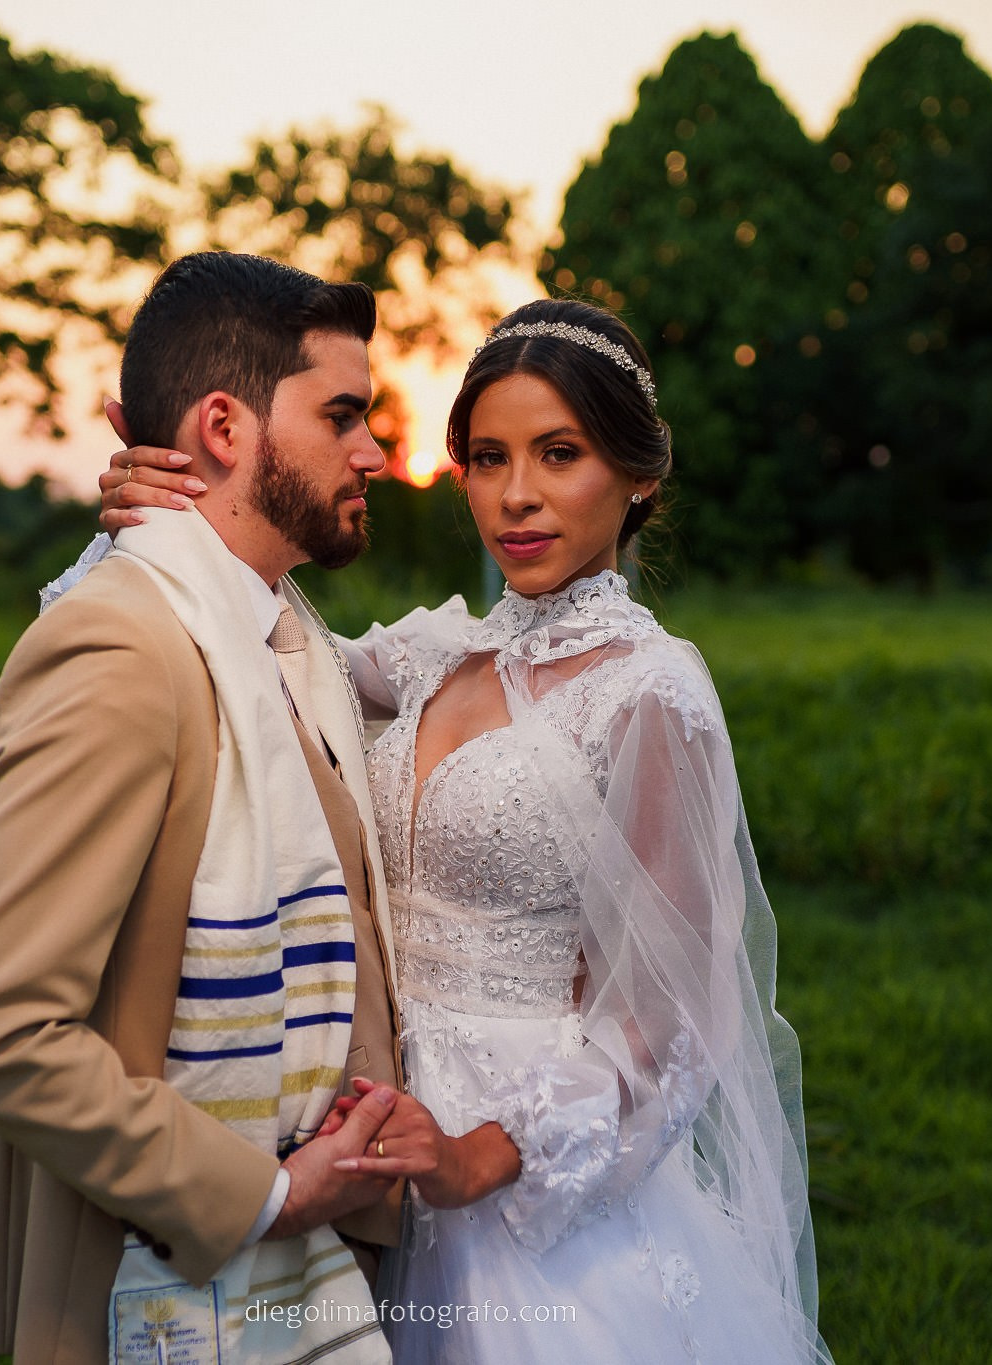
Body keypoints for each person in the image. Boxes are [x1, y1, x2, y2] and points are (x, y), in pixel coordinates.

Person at [95, 298, 833, 1364]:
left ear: (638, 477)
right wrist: (161, 519)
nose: (516, 496)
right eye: (487, 458)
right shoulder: (433, 652)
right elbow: (253, 646)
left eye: (558, 454)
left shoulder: (649, 693)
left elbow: (670, 1022)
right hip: (360, 1128)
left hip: (523, 1178)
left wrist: (479, 1157)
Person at [0, 252, 433, 1365]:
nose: (376, 453)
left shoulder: (285, 641)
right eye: (343, 415)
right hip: (151, 1286)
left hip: (313, 1271)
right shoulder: (120, 647)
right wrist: (261, 1194)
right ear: (222, 425)